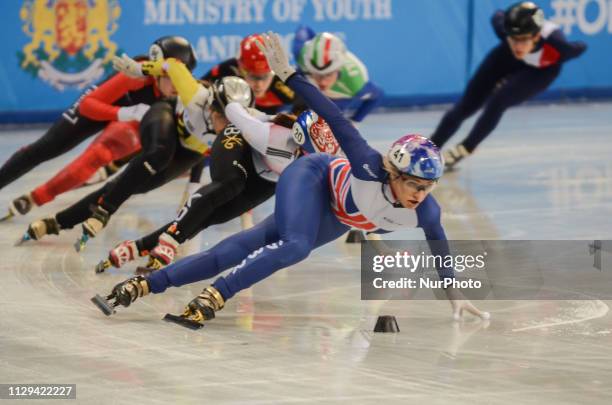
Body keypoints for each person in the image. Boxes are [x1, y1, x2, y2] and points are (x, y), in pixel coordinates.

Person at [92, 32, 488, 326]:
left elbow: (440, 250)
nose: (420, 194)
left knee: (238, 247)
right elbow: (331, 113)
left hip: (337, 215)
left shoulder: (427, 212)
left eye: (427, 187)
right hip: (311, 177)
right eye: (414, 184)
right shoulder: (368, 163)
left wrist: (454, 293)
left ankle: (142, 286)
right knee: (296, 245)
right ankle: (216, 296)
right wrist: (291, 76)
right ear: (394, 172)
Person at [17, 42, 228, 249]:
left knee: (136, 184)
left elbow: (216, 167)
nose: (220, 123)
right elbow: (172, 65)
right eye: (217, 115)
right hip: (166, 116)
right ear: (210, 107)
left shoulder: (230, 135)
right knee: (157, 155)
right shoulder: (195, 95)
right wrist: (140, 68)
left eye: (227, 121)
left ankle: (58, 222)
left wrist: (193, 187)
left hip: (191, 149)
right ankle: (105, 209)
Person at [96, 99, 340, 273]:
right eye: (308, 154)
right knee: (230, 184)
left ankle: (138, 246)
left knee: (215, 215)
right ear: (297, 142)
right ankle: (171, 240)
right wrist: (250, 113)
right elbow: (232, 109)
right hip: (240, 142)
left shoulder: (324, 161)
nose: (312, 162)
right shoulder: (270, 135)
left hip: (267, 175)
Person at [1, 36, 196, 219]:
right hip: (103, 105)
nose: (176, 85)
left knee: (100, 156)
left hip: (137, 117)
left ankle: (39, 197)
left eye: (180, 76)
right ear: (155, 73)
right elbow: (88, 106)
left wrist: (192, 184)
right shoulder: (136, 75)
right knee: (45, 148)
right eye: (168, 77)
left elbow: (199, 141)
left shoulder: (186, 90)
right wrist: (123, 113)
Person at [430, 1, 587, 170]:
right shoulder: (504, 29)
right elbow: (497, 15)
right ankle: (429, 149)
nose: (518, 46)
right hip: (506, 58)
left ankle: (465, 148)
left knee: (499, 100)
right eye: (514, 39)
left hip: (542, 70)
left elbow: (580, 47)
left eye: (523, 40)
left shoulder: (558, 45)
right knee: (467, 105)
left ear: (536, 36)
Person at [296, 31, 384, 123]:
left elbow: (378, 95)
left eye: (328, 74)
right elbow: (304, 30)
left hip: (339, 99)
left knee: (326, 123)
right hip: (306, 81)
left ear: (338, 69)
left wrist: (355, 121)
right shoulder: (302, 54)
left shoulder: (356, 84)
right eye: (317, 75)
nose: (322, 82)